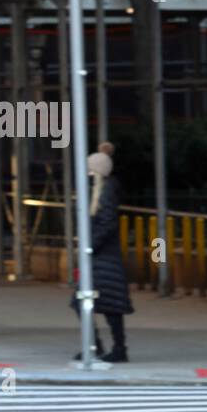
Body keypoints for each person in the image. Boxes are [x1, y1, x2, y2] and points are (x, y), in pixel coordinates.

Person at [72, 141, 134, 363]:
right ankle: (108, 347)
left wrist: (90, 246)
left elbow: (107, 224)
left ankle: (102, 346)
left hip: (102, 257)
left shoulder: (105, 193)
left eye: (90, 171)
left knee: (94, 304)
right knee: (105, 305)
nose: (87, 175)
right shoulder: (100, 192)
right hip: (101, 258)